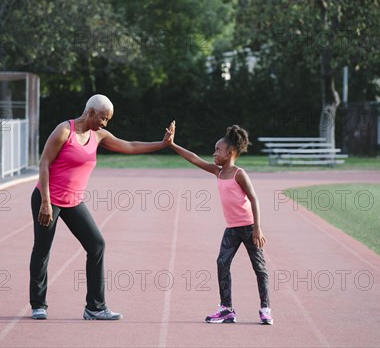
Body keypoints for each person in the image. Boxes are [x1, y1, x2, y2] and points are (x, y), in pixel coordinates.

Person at [29, 94, 175, 321]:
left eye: (107, 120)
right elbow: (44, 163)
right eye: (103, 118)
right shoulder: (64, 131)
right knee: (42, 249)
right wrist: (46, 203)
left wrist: (162, 144)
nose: (105, 123)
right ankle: (38, 305)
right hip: (48, 199)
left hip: (73, 201)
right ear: (90, 113)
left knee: (96, 245)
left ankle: (95, 308)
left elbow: (130, 146)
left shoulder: (98, 135)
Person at [169, 124, 272, 325]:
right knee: (222, 263)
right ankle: (226, 309)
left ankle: (265, 309)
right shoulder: (218, 172)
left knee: (259, 268)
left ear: (230, 153)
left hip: (249, 228)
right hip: (232, 229)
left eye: (218, 150)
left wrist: (257, 228)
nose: (214, 153)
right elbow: (194, 158)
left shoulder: (238, 174)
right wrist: (171, 144)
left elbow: (254, 199)